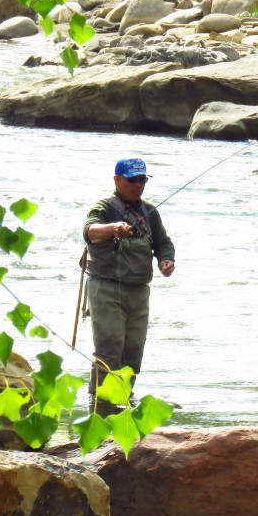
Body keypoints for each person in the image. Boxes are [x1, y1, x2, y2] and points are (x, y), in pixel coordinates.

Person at [83, 157, 175, 413]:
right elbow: (89, 231)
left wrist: (166, 260)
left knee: (133, 353)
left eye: (142, 180)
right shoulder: (103, 207)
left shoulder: (150, 211)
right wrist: (113, 228)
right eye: (132, 180)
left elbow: (163, 242)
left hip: (139, 291)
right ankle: (100, 408)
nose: (138, 185)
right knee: (109, 350)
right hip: (107, 288)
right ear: (116, 180)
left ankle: (122, 403)